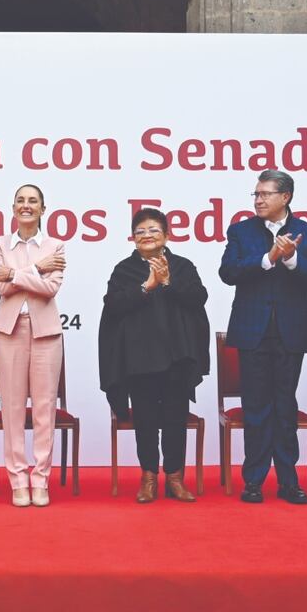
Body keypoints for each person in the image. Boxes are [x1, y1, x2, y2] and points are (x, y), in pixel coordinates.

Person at [219, 169, 307, 505]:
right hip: (252, 331)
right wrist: (268, 259)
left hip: (290, 332)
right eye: (256, 194)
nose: (258, 200)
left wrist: (292, 259)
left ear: (286, 197)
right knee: (256, 407)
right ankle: (253, 481)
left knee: (285, 406)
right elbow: (228, 272)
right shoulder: (240, 231)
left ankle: (288, 481)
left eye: (265, 194)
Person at [99, 207, 210, 503]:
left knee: (175, 419)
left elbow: (199, 298)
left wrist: (168, 283)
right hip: (139, 359)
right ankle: (148, 477)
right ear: (133, 238)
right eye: (140, 232)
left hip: (177, 357)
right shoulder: (125, 270)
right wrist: (146, 287)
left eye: (153, 230)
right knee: (145, 420)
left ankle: (175, 477)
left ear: (166, 235)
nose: (146, 236)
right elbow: (113, 305)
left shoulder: (182, 266)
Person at [0, 184, 65, 507]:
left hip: (46, 332)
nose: (26, 205)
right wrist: (35, 269)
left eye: (33, 200)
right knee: (13, 409)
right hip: (9, 331)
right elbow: (2, 287)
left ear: (43, 209)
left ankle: (40, 480)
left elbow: (49, 290)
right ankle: (18, 479)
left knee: (45, 409)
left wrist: (16, 273)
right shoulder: (0, 244)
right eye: (20, 200)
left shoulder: (55, 245)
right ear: (13, 207)